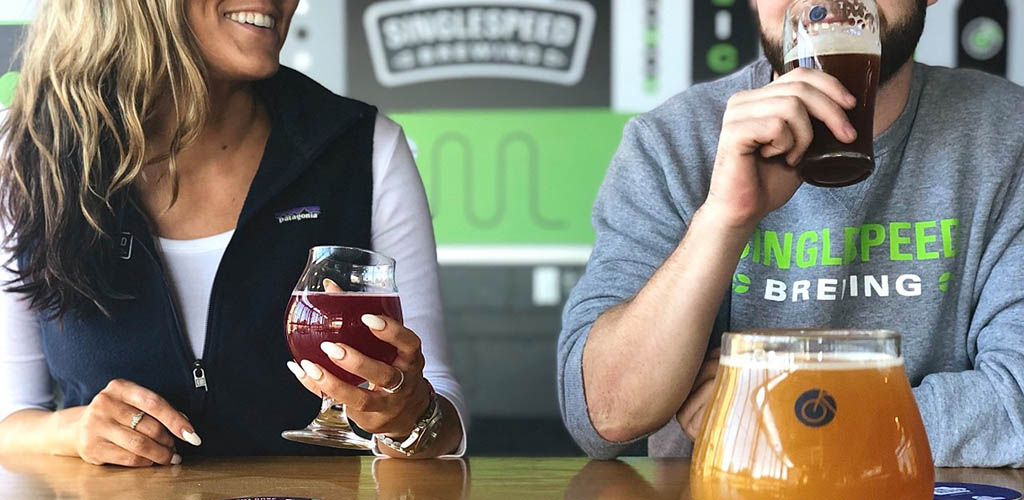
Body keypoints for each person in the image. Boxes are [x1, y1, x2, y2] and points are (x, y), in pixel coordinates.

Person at [558, 0, 1024, 467]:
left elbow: (1015, 401)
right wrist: (726, 216)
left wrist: (778, 409)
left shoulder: (1010, 136)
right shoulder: (671, 142)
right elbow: (606, 414)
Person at [0, 0, 466, 465]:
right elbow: (11, 418)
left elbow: (440, 405)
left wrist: (410, 419)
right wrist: (74, 429)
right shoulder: (27, 157)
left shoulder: (362, 149)